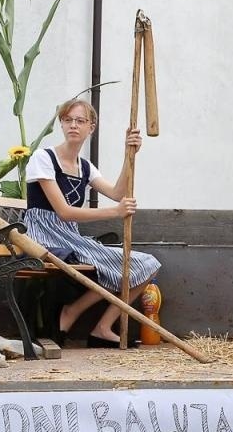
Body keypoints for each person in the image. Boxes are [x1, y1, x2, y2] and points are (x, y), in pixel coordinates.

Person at [24, 97, 160, 346]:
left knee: (147, 265)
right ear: (62, 125)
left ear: (91, 127)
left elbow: (118, 193)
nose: (73, 125)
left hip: (71, 236)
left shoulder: (85, 167)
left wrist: (129, 154)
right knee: (112, 263)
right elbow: (63, 212)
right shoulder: (43, 158)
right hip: (44, 235)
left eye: (80, 121)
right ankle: (71, 313)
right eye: (67, 120)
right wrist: (114, 212)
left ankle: (101, 326)